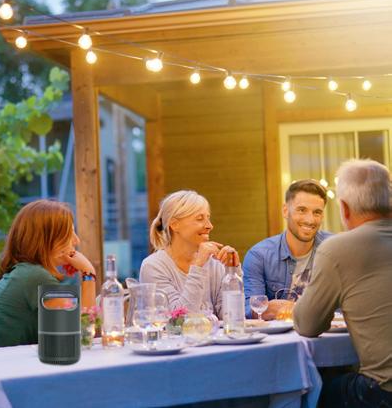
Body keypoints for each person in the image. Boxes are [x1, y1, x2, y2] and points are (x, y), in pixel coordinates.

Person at [293, 159, 392, 407]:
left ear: (345, 209)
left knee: (311, 390)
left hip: (383, 391)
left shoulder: (337, 249)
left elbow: (307, 325)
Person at [0, 200, 96, 350]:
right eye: (69, 233)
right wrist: (89, 274)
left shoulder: (27, 272)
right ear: (46, 239)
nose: (76, 240)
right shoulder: (34, 277)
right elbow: (82, 335)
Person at [139, 190, 240, 319]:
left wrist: (232, 272)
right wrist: (198, 267)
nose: (210, 226)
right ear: (174, 224)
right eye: (200, 219)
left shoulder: (215, 264)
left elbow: (232, 316)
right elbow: (178, 320)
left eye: (208, 218)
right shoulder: (153, 266)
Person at [243, 179, 330, 318]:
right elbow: (249, 310)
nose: (310, 220)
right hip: (280, 332)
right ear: (285, 211)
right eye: (302, 210)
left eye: (317, 212)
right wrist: (270, 309)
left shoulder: (335, 249)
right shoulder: (259, 256)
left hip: (326, 330)